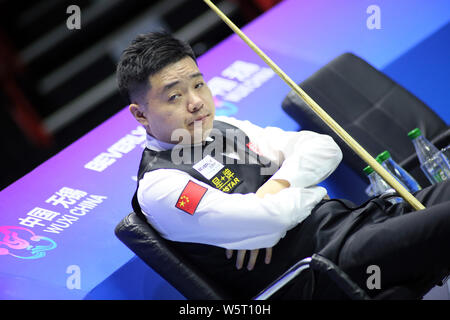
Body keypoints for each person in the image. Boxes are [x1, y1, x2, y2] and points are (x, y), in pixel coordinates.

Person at [116, 31, 450, 300]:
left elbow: (323, 148)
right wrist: (304, 191)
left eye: (198, 83)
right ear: (140, 114)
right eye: (174, 96)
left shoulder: (231, 129)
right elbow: (271, 217)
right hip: (325, 269)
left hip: (360, 221)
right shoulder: (162, 186)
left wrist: (275, 188)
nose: (196, 102)